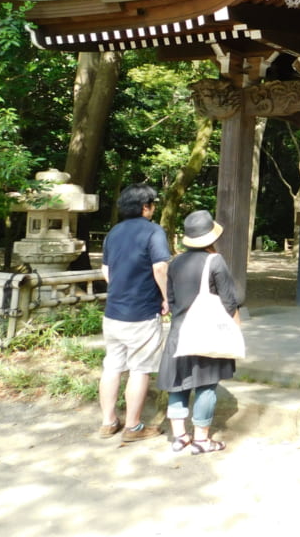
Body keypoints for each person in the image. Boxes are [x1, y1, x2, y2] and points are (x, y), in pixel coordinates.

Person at [157, 210, 240, 454]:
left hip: (179, 331)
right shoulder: (215, 261)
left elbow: (170, 299)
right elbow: (229, 301)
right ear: (210, 236)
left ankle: (179, 436)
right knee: (206, 385)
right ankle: (202, 439)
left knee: (178, 384)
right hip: (207, 332)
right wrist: (233, 327)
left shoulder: (176, 263)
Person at [99, 183, 170, 442]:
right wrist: (166, 298)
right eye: (152, 204)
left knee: (112, 366)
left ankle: (108, 422)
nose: (153, 208)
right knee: (140, 369)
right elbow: (160, 268)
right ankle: (133, 426)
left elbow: (106, 271)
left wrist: (120, 288)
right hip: (142, 312)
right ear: (145, 207)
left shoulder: (114, 233)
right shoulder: (154, 232)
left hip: (113, 312)